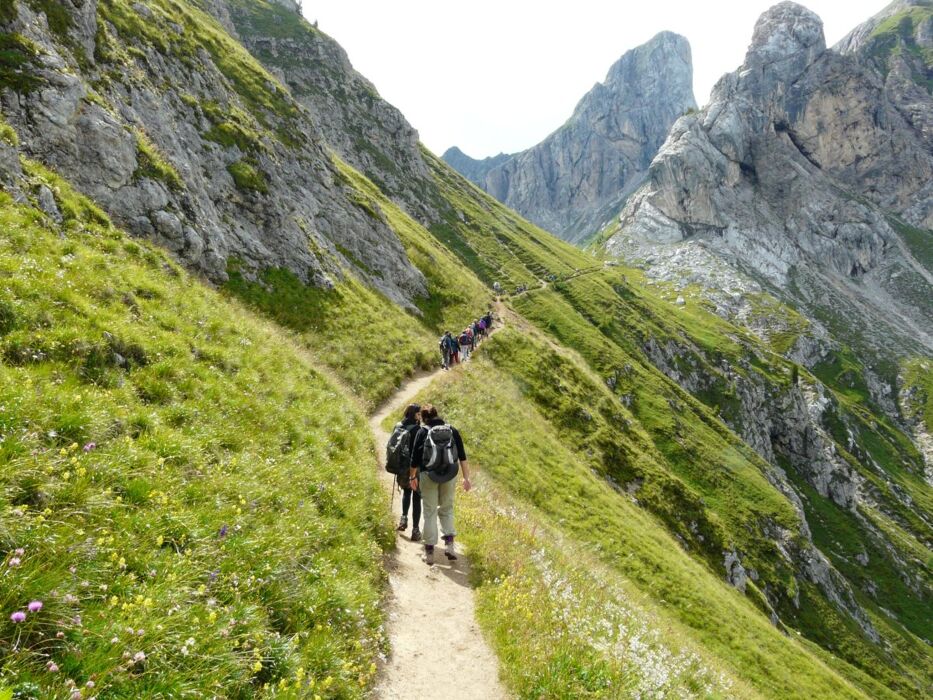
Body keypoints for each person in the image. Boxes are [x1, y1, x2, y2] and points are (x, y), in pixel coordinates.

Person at [409, 404, 472, 565]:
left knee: (429, 512)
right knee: (447, 508)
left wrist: (412, 477)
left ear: (423, 418)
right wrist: (466, 478)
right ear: (438, 415)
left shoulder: (422, 432)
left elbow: (414, 459)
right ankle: (450, 544)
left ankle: (429, 552)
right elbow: (462, 456)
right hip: (450, 474)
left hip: (428, 475)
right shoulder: (451, 430)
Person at [394, 404, 423, 541]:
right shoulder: (418, 429)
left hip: (401, 466)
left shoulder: (399, 426)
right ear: (414, 415)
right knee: (417, 496)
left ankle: (403, 519)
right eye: (419, 414)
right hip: (415, 467)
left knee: (406, 491)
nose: (420, 416)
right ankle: (415, 530)